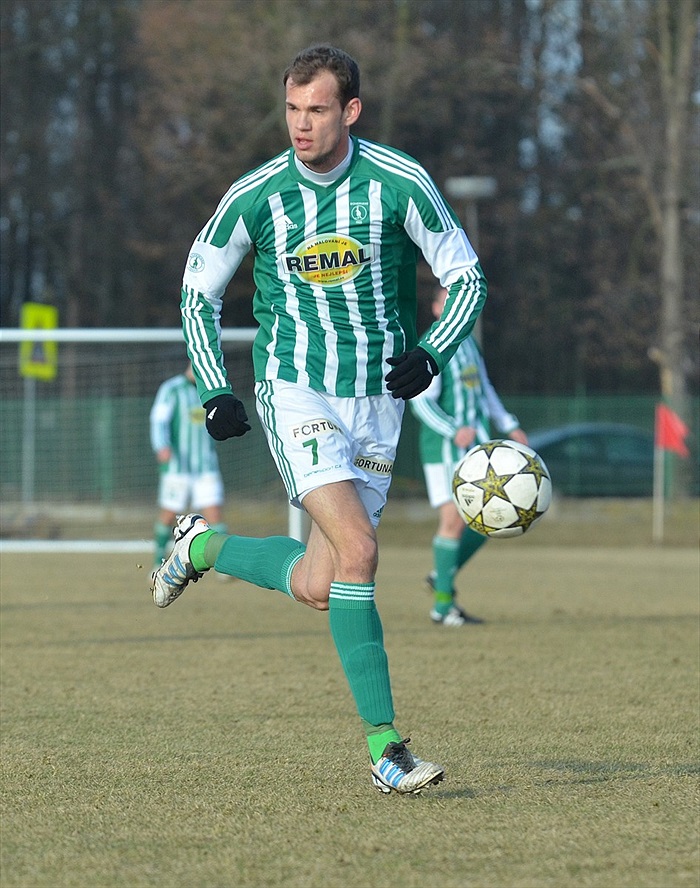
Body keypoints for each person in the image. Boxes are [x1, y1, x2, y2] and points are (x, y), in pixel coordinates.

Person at [151, 44, 488, 795]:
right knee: (362, 552)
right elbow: (196, 291)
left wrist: (432, 354)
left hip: (378, 401)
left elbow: (466, 276)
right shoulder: (256, 194)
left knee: (318, 581)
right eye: (293, 110)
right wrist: (215, 387)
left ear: (350, 111)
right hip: (295, 389)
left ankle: (204, 548)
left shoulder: (400, 183)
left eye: (318, 110)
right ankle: (386, 748)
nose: (301, 126)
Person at [410, 287, 528, 626]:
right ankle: (443, 607)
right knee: (453, 520)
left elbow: (485, 390)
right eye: (445, 302)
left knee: (490, 519)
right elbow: (419, 400)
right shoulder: (432, 345)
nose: (453, 308)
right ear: (435, 309)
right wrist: (451, 429)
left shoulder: (469, 344)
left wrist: (509, 424)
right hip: (444, 448)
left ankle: (441, 575)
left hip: (477, 449)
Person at [149, 363, 227, 568]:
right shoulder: (172, 388)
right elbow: (159, 420)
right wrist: (162, 446)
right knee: (168, 514)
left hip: (206, 465)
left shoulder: (211, 390)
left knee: (215, 514)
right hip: (178, 466)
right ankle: (158, 562)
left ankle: (224, 565)